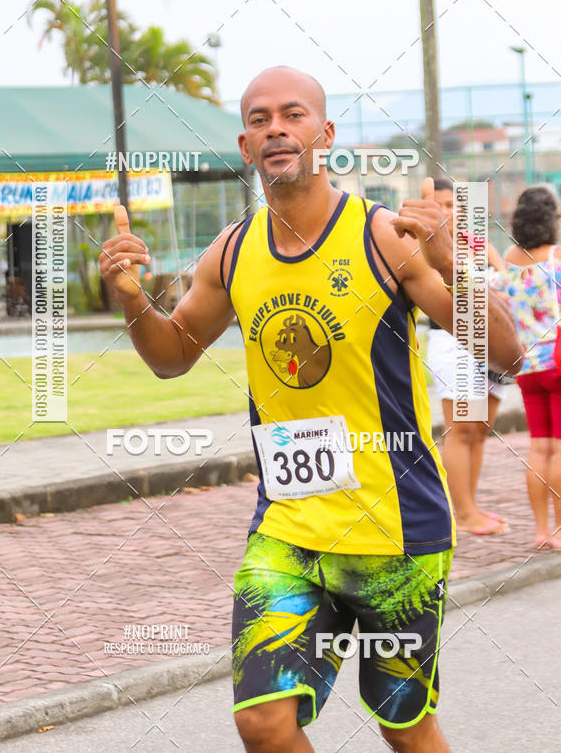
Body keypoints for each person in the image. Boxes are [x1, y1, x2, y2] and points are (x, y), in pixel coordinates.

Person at [100, 66, 522, 753]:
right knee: (263, 721)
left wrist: (449, 261)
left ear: (324, 134)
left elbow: (505, 353)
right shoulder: (233, 252)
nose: (276, 128)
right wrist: (130, 299)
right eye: (260, 119)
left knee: (405, 726)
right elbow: (171, 354)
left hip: (397, 529)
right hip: (289, 528)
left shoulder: (384, 236)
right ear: (245, 146)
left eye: (292, 115)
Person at [426, 178, 510, 536]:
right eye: (439, 205)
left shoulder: (480, 245)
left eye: (452, 205)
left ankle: (471, 506)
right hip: (451, 342)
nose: (447, 212)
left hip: (489, 346)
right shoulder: (427, 247)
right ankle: (462, 514)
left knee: (479, 430)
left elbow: (507, 285)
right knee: (461, 430)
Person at [490, 185, 561, 550]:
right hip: (559, 362)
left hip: (528, 366)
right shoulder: (557, 257)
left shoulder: (510, 257)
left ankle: (541, 531)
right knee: (560, 450)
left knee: (539, 449)